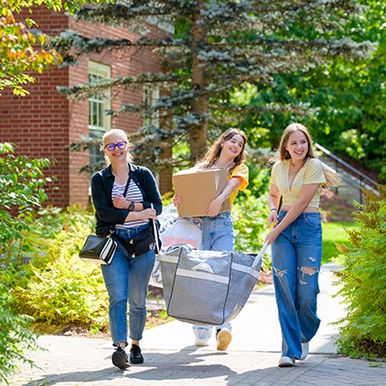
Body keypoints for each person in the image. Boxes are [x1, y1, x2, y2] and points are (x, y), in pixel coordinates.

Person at [265, 123, 340, 367]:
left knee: (307, 292)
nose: (299, 147)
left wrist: (276, 229)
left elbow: (302, 202)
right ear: (285, 146)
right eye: (294, 142)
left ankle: (304, 333)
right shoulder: (278, 167)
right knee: (285, 288)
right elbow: (273, 194)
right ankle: (289, 350)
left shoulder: (314, 166)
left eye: (303, 142)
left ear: (308, 145)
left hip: (307, 226)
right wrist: (272, 211)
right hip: (283, 227)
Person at [91, 128, 162, 370]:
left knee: (138, 300)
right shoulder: (100, 179)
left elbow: (158, 206)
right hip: (115, 244)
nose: (117, 149)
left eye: (120, 144)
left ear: (128, 146)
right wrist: (140, 213)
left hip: (143, 244)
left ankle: (136, 344)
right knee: (118, 296)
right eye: (111, 146)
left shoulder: (143, 174)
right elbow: (106, 214)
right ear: (105, 151)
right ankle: (120, 347)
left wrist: (130, 206)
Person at [173, 128, 249, 351]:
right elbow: (186, 195)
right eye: (232, 141)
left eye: (240, 145)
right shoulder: (201, 169)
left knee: (221, 274)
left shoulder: (239, 169)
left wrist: (219, 199)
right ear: (223, 141)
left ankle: (223, 327)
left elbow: (233, 185)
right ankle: (201, 330)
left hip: (222, 225)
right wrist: (180, 200)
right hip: (198, 226)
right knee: (199, 275)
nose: (235, 146)